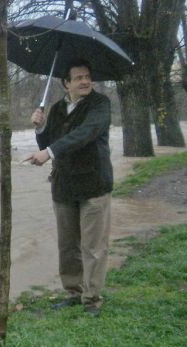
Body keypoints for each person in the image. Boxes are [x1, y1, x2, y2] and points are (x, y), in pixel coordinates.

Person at [26, 58, 113, 317]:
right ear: (66, 84)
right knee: (68, 245)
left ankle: (92, 299)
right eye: (78, 78)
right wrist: (40, 126)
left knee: (93, 246)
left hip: (94, 184)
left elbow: (86, 133)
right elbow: (49, 140)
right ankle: (73, 293)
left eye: (88, 76)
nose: (85, 81)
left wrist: (49, 152)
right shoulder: (57, 108)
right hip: (64, 185)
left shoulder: (100, 105)